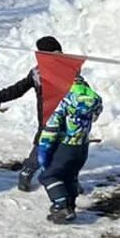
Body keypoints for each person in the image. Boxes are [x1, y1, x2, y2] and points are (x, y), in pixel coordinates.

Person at [0, 35, 65, 191]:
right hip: (47, 120)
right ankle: (27, 172)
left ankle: (69, 181)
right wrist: (0, 96)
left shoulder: (70, 71)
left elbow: (82, 91)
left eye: (60, 53)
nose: (58, 56)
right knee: (40, 150)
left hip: (68, 119)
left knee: (67, 153)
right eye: (54, 53)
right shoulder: (37, 73)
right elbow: (19, 88)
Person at [36, 74, 104, 224]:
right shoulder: (95, 100)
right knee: (69, 176)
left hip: (65, 146)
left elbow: (52, 127)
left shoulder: (64, 100)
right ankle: (70, 207)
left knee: (49, 176)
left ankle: (61, 206)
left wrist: (44, 147)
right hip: (82, 147)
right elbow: (95, 116)